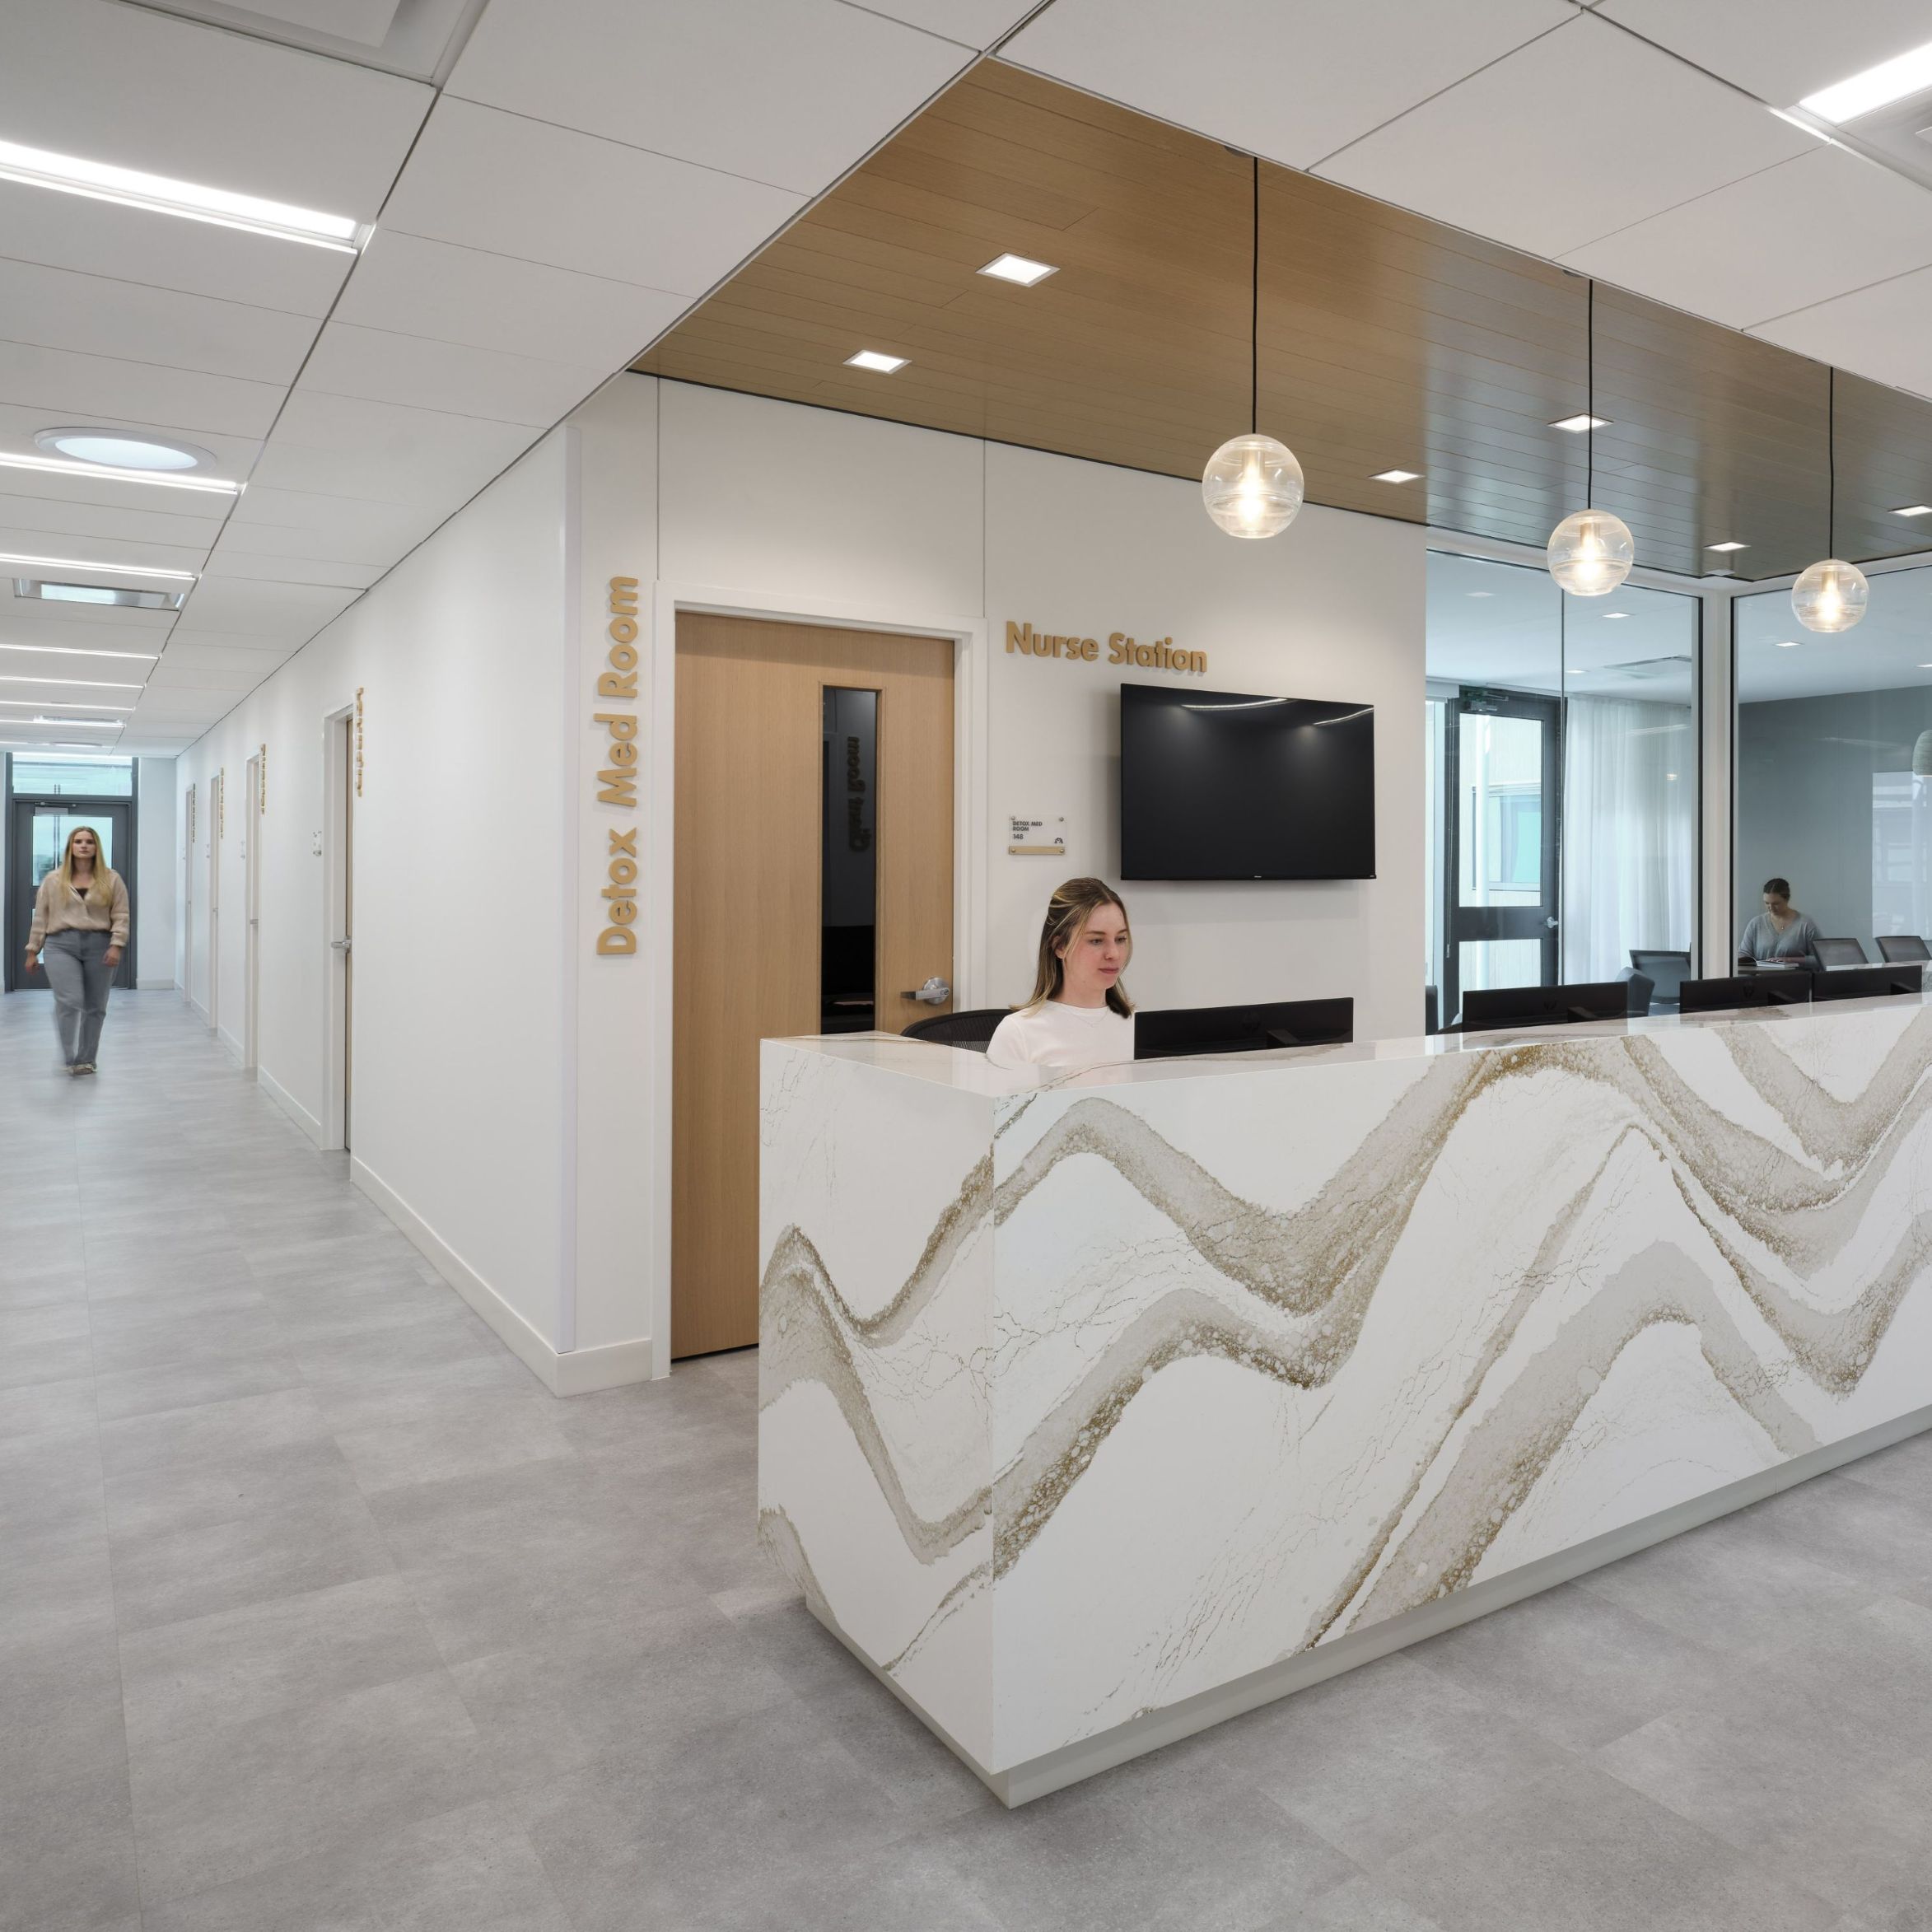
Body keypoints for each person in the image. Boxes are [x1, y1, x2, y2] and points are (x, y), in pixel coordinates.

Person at [987, 877, 1136, 1073]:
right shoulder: (1018, 1033)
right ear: (1060, 946)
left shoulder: (1139, 1028)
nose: (1114, 954)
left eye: (1121, 939)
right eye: (1096, 941)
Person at [24, 825, 128, 1076]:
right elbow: (41, 917)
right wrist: (32, 950)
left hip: (100, 944)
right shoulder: (53, 879)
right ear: (70, 846)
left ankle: (86, 1059)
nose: (83, 846)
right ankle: (69, 1056)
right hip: (61, 945)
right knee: (69, 1001)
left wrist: (116, 945)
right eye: (78, 841)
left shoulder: (111, 878)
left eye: (89, 842)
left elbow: (121, 914)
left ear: (96, 847)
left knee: (96, 1006)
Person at [1737, 876, 1821, 965]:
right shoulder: (1756, 923)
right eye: (1767, 903)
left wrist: (1790, 960)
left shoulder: (1805, 925)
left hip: (1794, 974)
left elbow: (1820, 960)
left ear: (1787, 899)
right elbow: (1743, 953)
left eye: (1776, 904)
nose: (1770, 908)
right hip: (1760, 974)